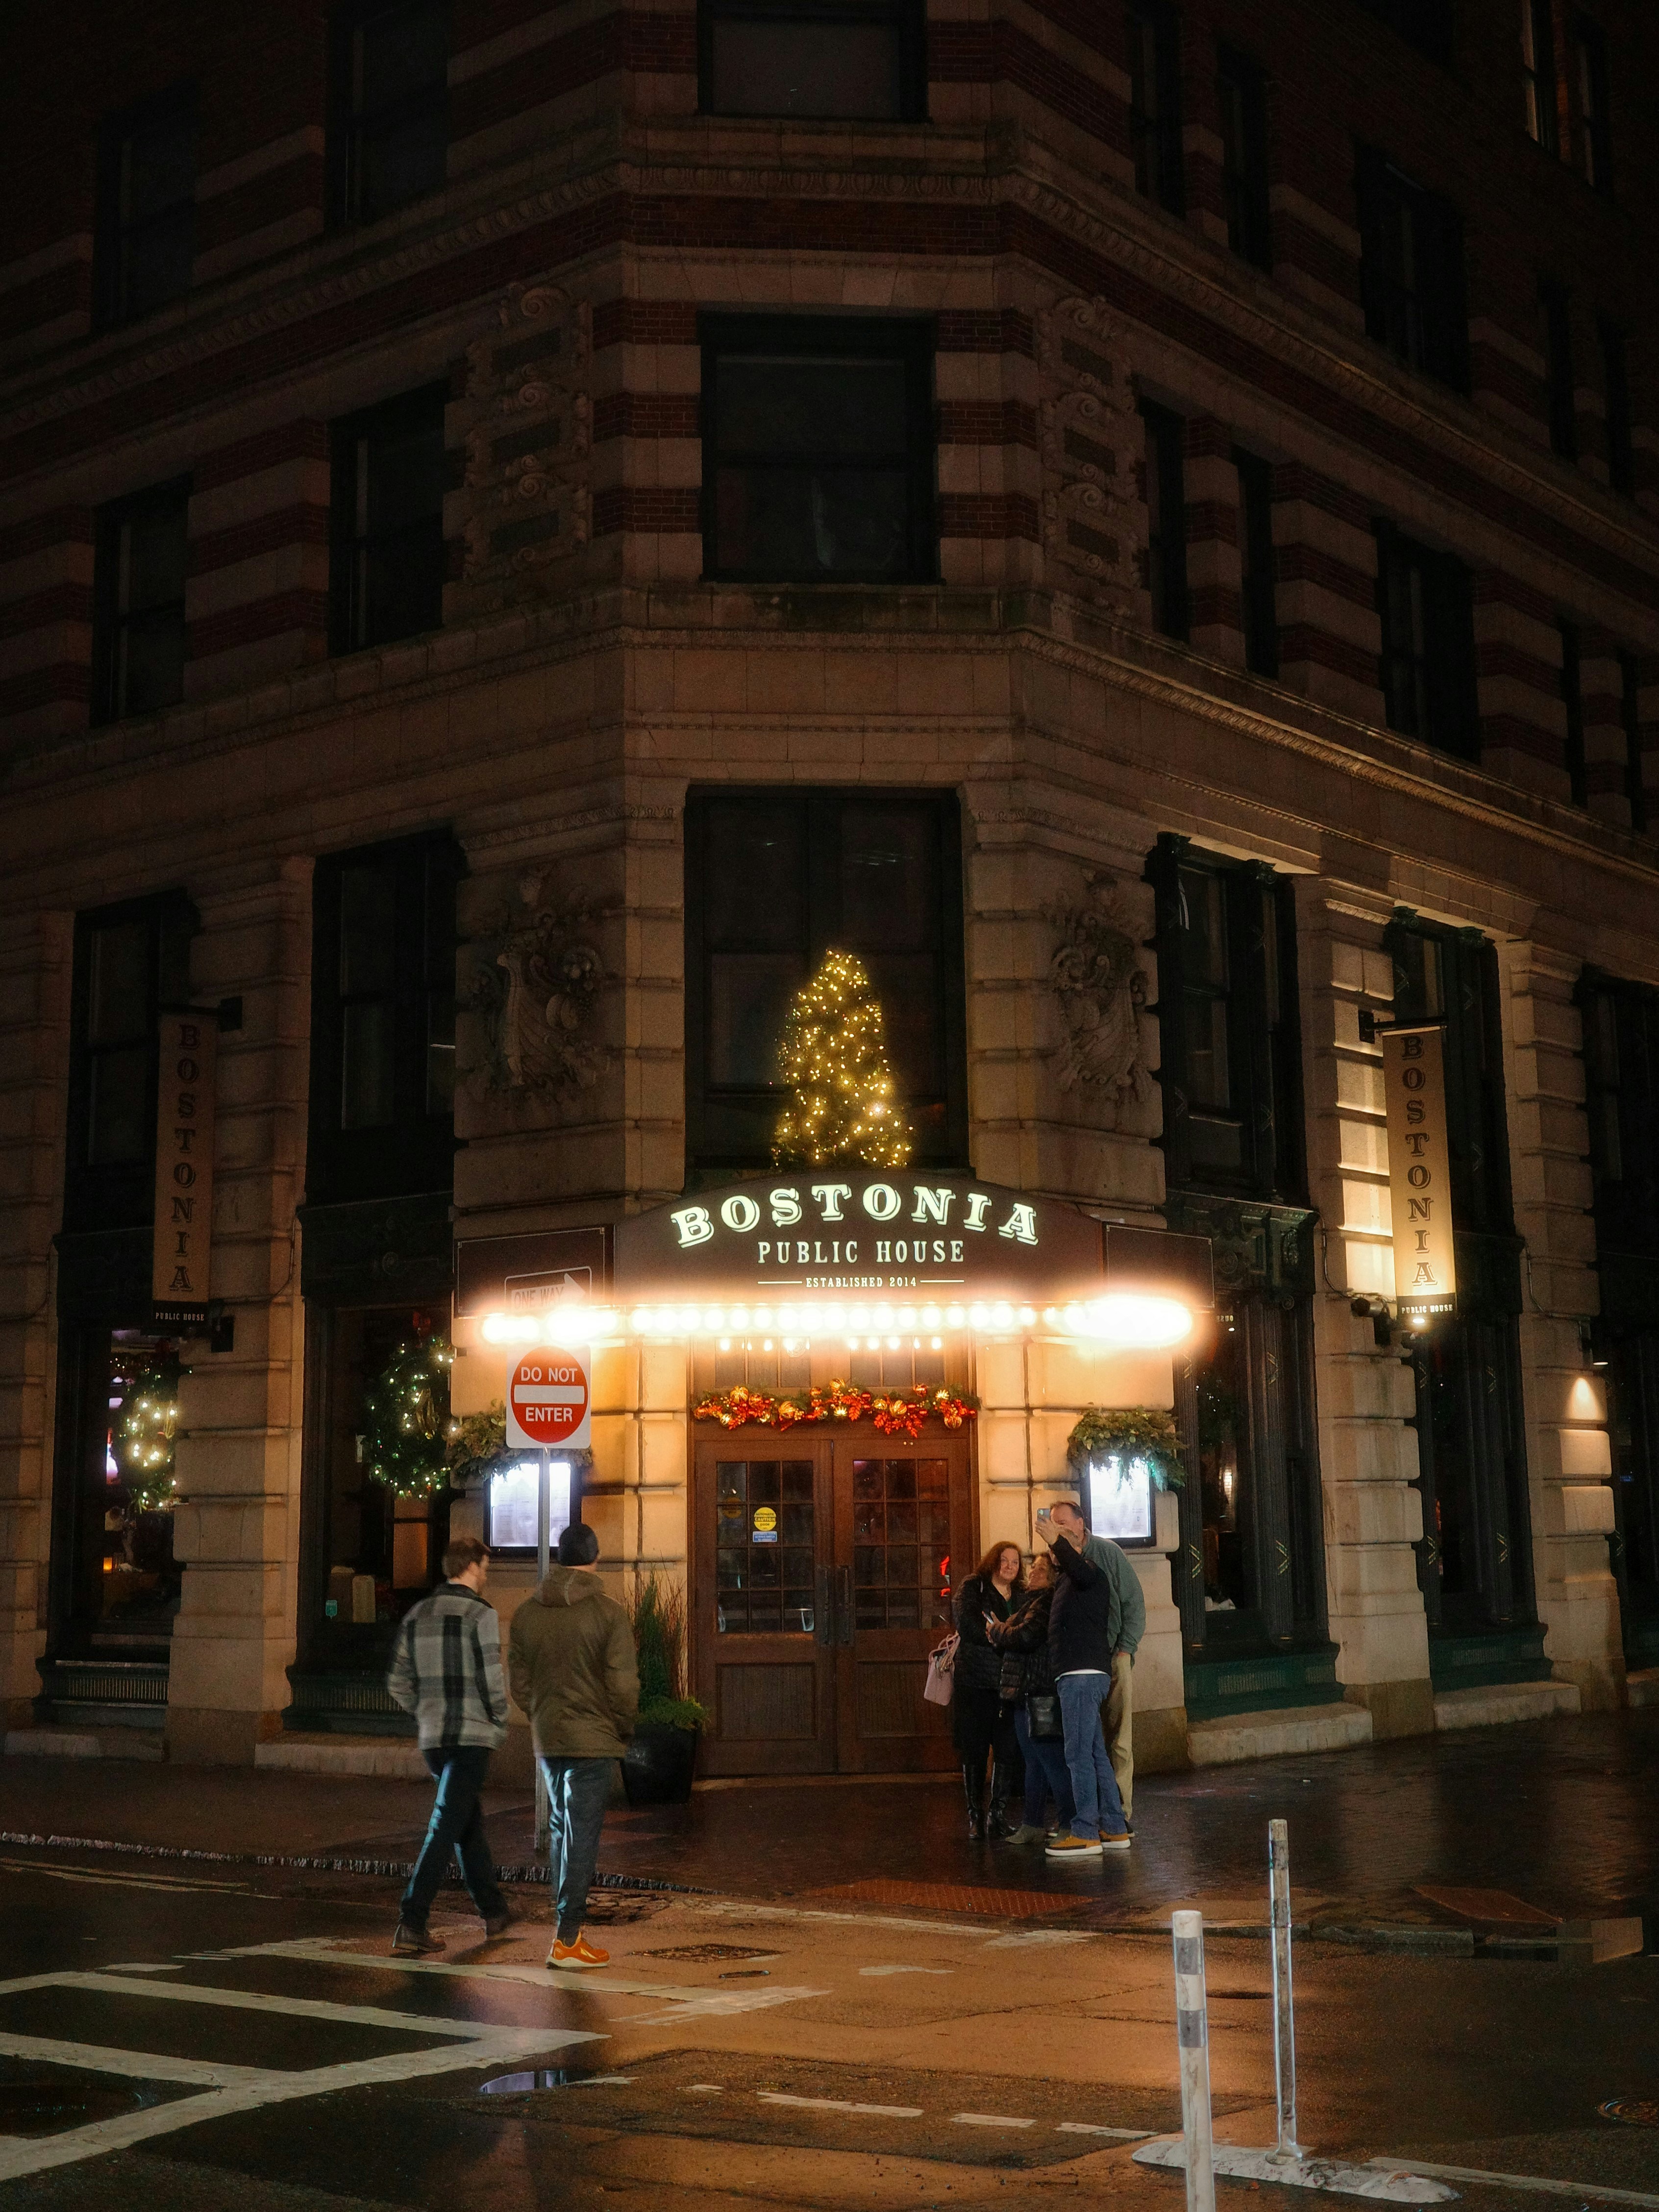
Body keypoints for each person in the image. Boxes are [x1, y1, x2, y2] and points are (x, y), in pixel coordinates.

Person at [508, 1520, 639, 1971]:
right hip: (593, 1739)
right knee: (581, 1834)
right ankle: (567, 1938)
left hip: (550, 1737)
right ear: (595, 1557)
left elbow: (520, 1683)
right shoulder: (608, 1613)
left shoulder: (527, 1612)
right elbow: (623, 1685)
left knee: (562, 1831)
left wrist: (541, 1714)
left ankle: (567, 1932)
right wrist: (620, 1727)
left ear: (561, 1558)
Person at [385, 1534, 513, 1955]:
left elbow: (398, 1681)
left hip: (434, 1739)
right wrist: (499, 1718)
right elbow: (492, 1678)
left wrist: (425, 1709)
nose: (486, 1575)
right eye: (485, 1567)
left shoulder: (418, 1613)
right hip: (471, 1736)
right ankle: (412, 1920)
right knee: (446, 1826)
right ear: (473, 1566)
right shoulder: (481, 1614)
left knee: (466, 1822)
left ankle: (494, 1912)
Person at [1036, 1501, 1131, 1857]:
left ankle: (1085, 1830)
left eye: (1063, 1526)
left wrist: (1058, 1541)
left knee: (1077, 1754)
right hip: (1078, 1675)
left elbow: (1082, 1570)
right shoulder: (1068, 1577)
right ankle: (1114, 1826)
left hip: (1081, 1675)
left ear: (1079, 1531)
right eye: (1052, 1527)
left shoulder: (1089, 1570)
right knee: (1094, 1754)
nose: (1054, 1532)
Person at [985, 1549, 1074, 1845]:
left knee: (1050, 1759)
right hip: (1023, 1691)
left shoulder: (1047, 1601)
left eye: (1038, 1569)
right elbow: (1013, 1639)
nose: (1031, 1573)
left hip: (1039, 1690)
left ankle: (1069, 1822)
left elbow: (1026, 1637)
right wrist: (1003, 1633)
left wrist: (999, 1630)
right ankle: (1032, 1823)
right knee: (1033, 1759)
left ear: (1050, 1575)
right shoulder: (1031, 1602)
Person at [951, 1540, 1024, 1838]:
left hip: (1009, 1683)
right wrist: (997, 1636)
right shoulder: (975, 1586)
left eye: (1016, 1562)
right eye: (1004, 1560)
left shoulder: (1021, 1595)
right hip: (976, 1681)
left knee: (1007, 1749)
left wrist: (1005, 1635)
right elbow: (966, 1624)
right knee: (975, 1749)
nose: (1009, 1566)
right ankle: (975, 1816)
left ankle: (997, 1813)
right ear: (993, 1561)